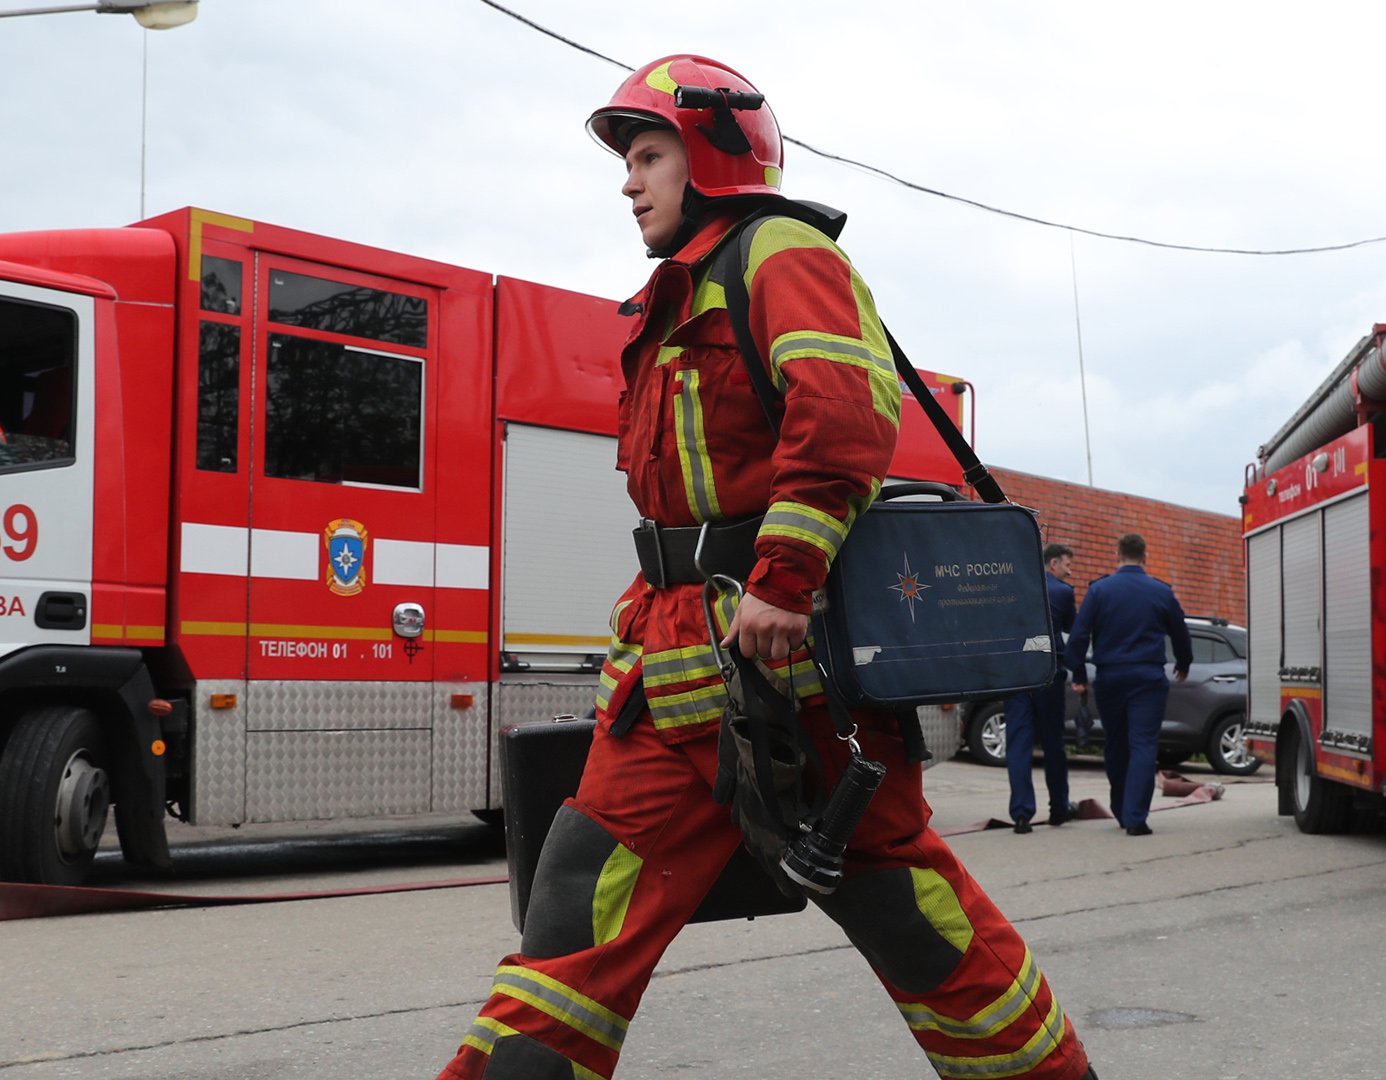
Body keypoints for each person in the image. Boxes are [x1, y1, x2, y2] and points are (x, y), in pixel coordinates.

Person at [438, 55, 1093, 1080]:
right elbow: (684, 503)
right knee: (575, 899)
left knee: (906, 912)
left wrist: (786, 580)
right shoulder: (680, 288)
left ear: (708, 154)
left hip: (783, 676)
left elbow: (840, 415)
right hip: (674, 668)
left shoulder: (777, 251)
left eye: (647, 155)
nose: (627, 181)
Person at [1064, 533, 1192, 837]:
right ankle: (1136, 817)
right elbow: (1180, 632)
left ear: (1117, 553)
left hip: (1110, 678)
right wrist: (1183, 663)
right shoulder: (1161, 591)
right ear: (1144, 556)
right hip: (1147, 680)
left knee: (1116, 744)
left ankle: (1121, 809)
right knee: (1144, 744)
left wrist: (1078, 672)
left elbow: (1080, 635)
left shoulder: (1099, 591)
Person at [1005, 543, 1079, 834]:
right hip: (1049, 673)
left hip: (1017, 676)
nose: (1069, 572)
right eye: (1067, 566)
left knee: (1019, 744)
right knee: (1053, 744)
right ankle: (1059, 808)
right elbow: (1075, 632)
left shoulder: (1012, 589)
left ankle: (1022, 815)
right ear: (1053, 563)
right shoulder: (1062, 592)